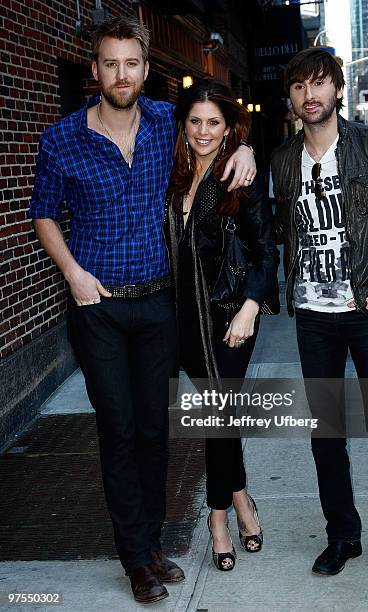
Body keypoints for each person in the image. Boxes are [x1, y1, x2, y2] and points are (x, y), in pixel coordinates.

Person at [28, 16, 256, 605]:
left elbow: (217, 131)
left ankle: (152, 545)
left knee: (156, 430)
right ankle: (134, 557)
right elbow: (44, 213)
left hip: (159, 306)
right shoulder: (62, 139)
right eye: (110, 63)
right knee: (119, 428)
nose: (121, 74)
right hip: (97, 308)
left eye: (132, 63)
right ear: (96, 70)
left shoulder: (163, 123)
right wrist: (73, 274)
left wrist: (248, 147)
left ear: (145, 70)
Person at [271, 48, 368, 582]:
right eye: (298, 86)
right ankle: (343, 536)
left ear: (336, 88)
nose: (309, 95)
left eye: (319, 84)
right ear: (289, 97)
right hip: (314, 316)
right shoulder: (284, 160)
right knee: (327, 431)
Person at [165, 80, 279, 571]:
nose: (203, 131)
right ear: (183, 125)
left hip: (230, 318)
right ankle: (240, 499)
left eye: (215, 122)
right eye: (195, 121)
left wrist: (251, 307)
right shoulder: (172, 175)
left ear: (229, 127)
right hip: (182, 322)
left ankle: (216, 521)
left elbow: (265, 252)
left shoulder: (240, 176)